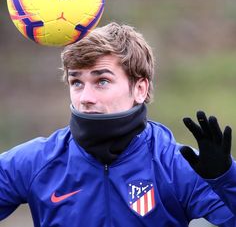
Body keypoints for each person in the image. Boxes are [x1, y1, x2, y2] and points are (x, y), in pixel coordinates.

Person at [0, 22, 235, 226]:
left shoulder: (174, 166)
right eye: (77, 82)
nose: (85, 97)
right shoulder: (37, 162)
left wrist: (226, 179)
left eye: (102, 81)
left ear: (140, 89)